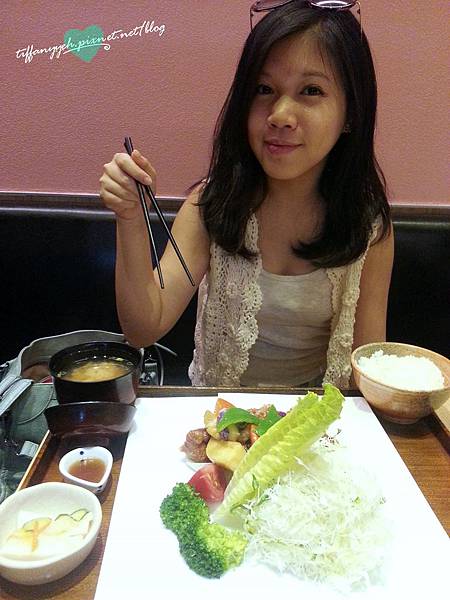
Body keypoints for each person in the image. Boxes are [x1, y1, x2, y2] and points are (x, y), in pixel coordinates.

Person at [99, 0, 394, 389]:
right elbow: (143, 328)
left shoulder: (369, 227)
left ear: (351, 113)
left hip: (318, 420)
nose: (280, 115)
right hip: (217, 416)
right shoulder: (211, 206)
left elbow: (367, 368)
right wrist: (130, 218)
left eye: (311, 90)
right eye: (263, 89)